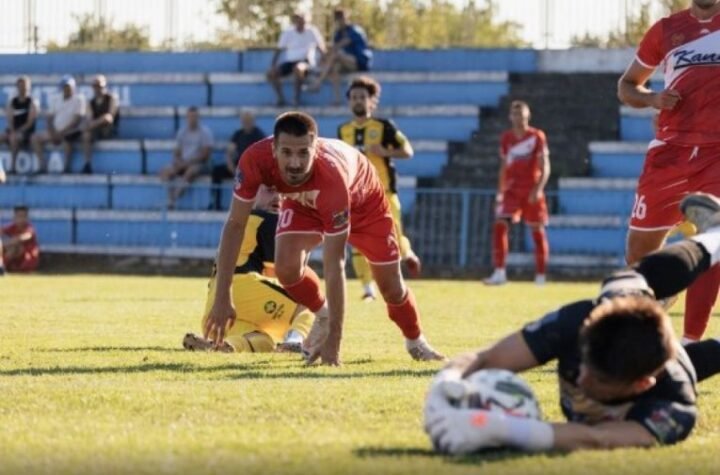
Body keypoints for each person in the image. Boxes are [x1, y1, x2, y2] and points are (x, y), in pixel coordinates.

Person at [424, 192, 720, 454]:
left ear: (642, 385)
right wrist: (447, 381)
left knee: (699, 360)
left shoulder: (674, 407)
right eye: (586, 362)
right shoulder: (578, 322)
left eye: (599, 378)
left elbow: (597, 439)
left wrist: (500, 428)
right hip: (629, 308)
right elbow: (486, 358)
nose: (581, 378)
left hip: (676, 370)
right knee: (624, 280)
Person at [203, 111, 444, 366]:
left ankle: (416, 341)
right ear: (273, 149)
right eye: (286, 153)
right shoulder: (254, 159)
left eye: (303, 153)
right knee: (286, 269)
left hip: (365, 204)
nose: (295, 163)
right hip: (303, 203)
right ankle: (322, 313)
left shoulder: (332, 177)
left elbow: (335, 262)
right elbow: (235, 224)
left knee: (391, 288)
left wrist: (334, 342)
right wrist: (221, 296)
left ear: (315, 148)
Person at [618, 0, 720, 343]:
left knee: (714, 236)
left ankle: (691, 342)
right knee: (637, 254)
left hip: (716, 151)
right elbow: (628, 85)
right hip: (670, 153)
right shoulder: (665, 30)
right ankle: (660, 295)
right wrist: (653, 100)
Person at [184, 185, 314, 353]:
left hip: (216, 305)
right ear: (251, 194)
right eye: (270, 190)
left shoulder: (239, 224)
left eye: (282, 192)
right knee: (311, 301)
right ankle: (295, 341)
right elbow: (288, 273)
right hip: (243, 289)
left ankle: (223, 346)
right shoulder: (267, 219)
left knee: (264, 340)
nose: (278, 197)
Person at [337, 76, 421, 301]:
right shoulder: (343, 131)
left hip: (384, 193)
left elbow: (408, 151)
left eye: (362, 97)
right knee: (355, 242)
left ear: (372, 101)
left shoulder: (384, 127)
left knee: (392, 234)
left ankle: (407, 254)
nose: (358, 101)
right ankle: (367, 289)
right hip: (356, 196)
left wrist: (386, 151)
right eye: (354, 97)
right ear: (349, 101)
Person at [484, 100, 550, 286]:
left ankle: (540, 276)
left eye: (521, 114)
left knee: (537, 230)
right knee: (500, 224)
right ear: (510, 117)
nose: (518, 118)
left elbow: (545, 167)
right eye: (515, 114)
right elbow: (504, 167)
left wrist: (538, 189)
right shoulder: (506, 138)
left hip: (530, 189)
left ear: (528, 116)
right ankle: (499, 272)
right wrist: (500, 192)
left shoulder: (537, 136)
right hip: (511, 190)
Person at [308, 9, 372, 105]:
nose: (340, 21)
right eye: (337, 19)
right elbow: (334, 49)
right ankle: (337, 100)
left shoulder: (354, 30)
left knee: (336, 56)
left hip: (359, 62)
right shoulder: (338, 34)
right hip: (345, 62)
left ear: (346, 18)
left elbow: (339, 46)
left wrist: (326, 55)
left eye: (342, 18)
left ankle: (318, 82)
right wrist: (324, 56)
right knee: (335, 69)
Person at [266, 12, 326, 107]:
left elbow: (321, 47)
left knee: (298, 69)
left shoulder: (312, 31)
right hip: (290, 62)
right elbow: (279, 49)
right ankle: (280, 98)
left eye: (302, 20)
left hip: (305, 62)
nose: (300, 22)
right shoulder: (288, 32)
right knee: (271, 73)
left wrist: (324, 61)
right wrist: (273, 64)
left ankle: (296, 98)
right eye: (298, 20)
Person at [210, 110, 265, 210]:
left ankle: (253, 206)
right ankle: (215, 202)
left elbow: (261, 157)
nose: (246, 123)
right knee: (217, 171)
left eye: (248, 121)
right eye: (244, 121)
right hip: (237, 166)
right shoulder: (238, 134)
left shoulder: (259, 135)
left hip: (251, 168)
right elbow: (229, 151)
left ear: (253, 121)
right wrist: (230, 165)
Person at [160, 106, 214, 209]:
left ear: (198, 117)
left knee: (191, 171)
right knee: (166, 171)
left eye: (194, 116)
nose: (192, 119)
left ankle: (176, 196)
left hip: (200, 164)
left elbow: (205, 155)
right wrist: (178, 161)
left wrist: (187, 163)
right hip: (184, 162)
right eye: (190, 117)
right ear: (187, 118)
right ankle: (170, 199)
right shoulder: (182, 132)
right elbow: (177, 151)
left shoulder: (205, 133)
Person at [31, 75, 86, 173]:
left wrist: (62, 132)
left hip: (70, 131)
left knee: (68, 139)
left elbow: (76, 120)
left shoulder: (79, 99)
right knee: (35, 138)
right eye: (65, 87)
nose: (67, 89)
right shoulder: (56, 99)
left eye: (69, 87)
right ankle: (42, 165)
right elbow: (49, 118)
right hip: (55, 132)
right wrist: (53, 133)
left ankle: (66, 167)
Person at [80, 74, 119, 174]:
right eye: (96, 86)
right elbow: (89, 118)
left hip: (109, 129)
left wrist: (92, 125)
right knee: (86, 135)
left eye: (100, 86)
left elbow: (109, 117)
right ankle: (87, 163)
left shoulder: (111, 98)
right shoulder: (91, 102)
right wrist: (90, 125)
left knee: (103, 120)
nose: (98, 89)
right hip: (96, 130)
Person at [0, 76, 38, 173]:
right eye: (20, 85)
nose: (22, 88)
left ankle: (12, 167)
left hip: (26, 132)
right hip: (14, 130)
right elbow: (10, 119)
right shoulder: (12, 102)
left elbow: (30, 122)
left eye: (24, 85)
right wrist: (12, 130)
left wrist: (17, 131)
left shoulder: (32, 102)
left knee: (14, 138)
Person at [1, 205, 39, 272]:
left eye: (24, 216)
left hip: (28, 259)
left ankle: (2, 266)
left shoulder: (29, 228)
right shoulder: (12, 227)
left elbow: (25, 237)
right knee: (10, 247)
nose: (21, 219)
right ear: (14, 217)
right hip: (16, 260)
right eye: (19, 216)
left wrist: (4, 244)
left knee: (15, 247)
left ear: (27, 218)